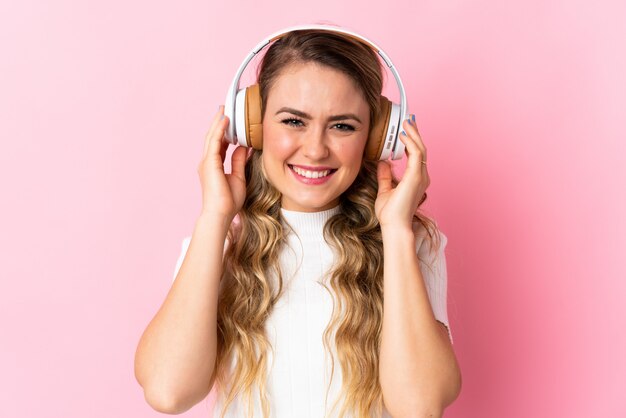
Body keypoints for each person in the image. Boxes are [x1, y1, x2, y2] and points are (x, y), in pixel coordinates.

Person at [135, 27, 462, 418]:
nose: (315, 149)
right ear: (251, 125)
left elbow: (420, 406)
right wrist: (215, 217)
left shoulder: (412, 243)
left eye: (343, 126)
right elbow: (168, 392)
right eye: (293, 121)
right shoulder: (218, 244)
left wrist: (395, 231)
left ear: (377, 139)